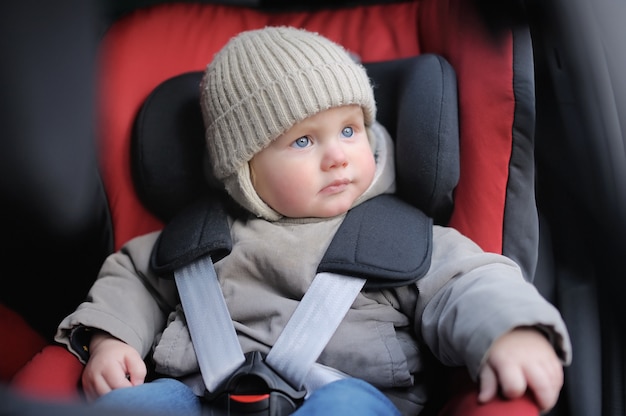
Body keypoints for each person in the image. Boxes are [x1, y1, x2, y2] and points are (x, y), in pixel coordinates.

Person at [55, 26, 571, 416]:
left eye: (350, 129)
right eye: (303, 141)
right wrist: (111, 339)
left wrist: (509, 329)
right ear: (243, 166)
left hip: (344, 394)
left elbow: (470, 282)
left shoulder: (403, 239)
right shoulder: (198, 239)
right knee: (139, 405)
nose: (338, 157)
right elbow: (133, 279)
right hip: (204, 396)